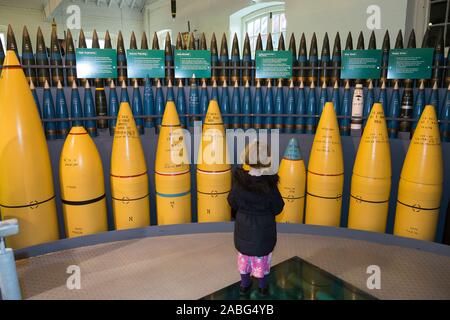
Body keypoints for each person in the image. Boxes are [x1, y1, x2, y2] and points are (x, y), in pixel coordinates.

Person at [227, 140, 284, 296]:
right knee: (263, 260)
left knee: (243, 260)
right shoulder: (270, 186)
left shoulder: (239, 183)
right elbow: (278, 207)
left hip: (244, 230)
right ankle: (263, 287)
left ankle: (244, 285)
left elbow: (231, 201)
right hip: (264, 233)